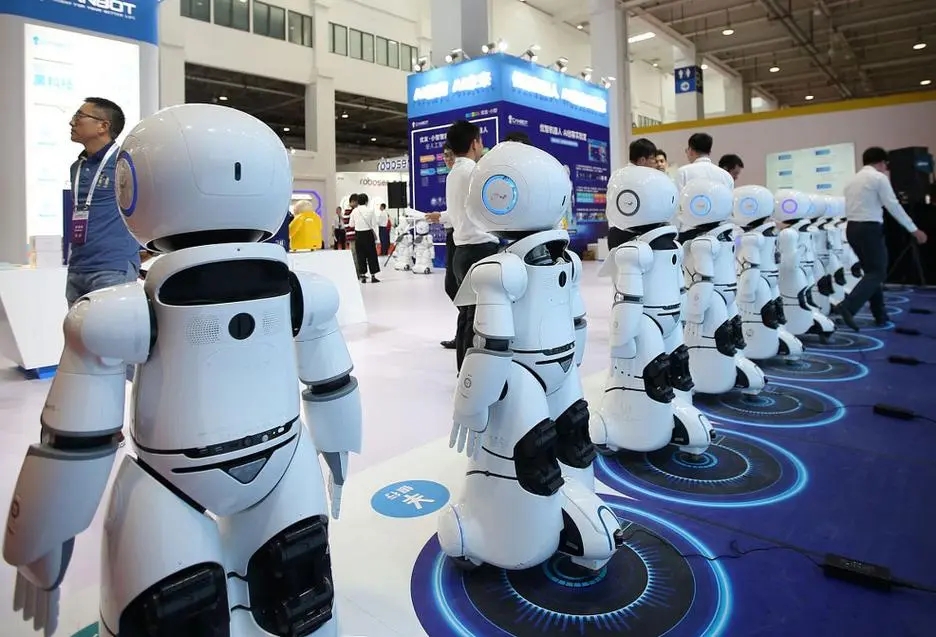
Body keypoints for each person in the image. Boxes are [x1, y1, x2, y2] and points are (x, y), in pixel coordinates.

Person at [425, 120, 498, 371]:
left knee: (467, 316)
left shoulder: (454, 173)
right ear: (474, 143)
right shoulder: (475, 173)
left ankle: (464, 372)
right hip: (480, 249)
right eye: (480, 141)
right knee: (480, 318)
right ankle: (475, 376)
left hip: (462, 250)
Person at [834, 146, 928, 330]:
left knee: (872, 272)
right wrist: (914, 229)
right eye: (886, 164)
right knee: (878, 273)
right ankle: (848, 306)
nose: (886, 168)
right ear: (881, 162)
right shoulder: (878, 178)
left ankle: (880, 315)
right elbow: (893, 205)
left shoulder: (852, 180)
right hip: (869, 228)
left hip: (852, 228)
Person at [67, 97, 141, 307]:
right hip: (77, 267)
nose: (72, 122)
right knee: (76, 329)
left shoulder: (125, 162)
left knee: (111, 328)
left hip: (112, 267)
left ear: (103, 126)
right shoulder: (77, 167)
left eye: (79, 116)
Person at [606, 138, 659, 249]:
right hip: (635, 234)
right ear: (642, 160)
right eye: (652, 159)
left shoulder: (616, 175)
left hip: (615, 232)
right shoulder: (643, 177)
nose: (655, 163)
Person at [350, 193, 381, 282]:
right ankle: (373, 276)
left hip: (358, 235)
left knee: (360, 255)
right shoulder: (370, 211)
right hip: (368, 234)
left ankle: (363, 276)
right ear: (366, 201)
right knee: (371, 255)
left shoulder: (354, 211)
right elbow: (374, 224)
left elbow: (351, 224)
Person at [342, 194, 359, 271]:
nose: (357, 205)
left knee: (356, 254)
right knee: (355, 255)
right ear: (353, 201)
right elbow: (351, 225)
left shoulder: (350, 210)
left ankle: (358, 272)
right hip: (352, 236)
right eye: (357, 203)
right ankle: (357, 273)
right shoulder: (349, 211)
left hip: (352, 236)